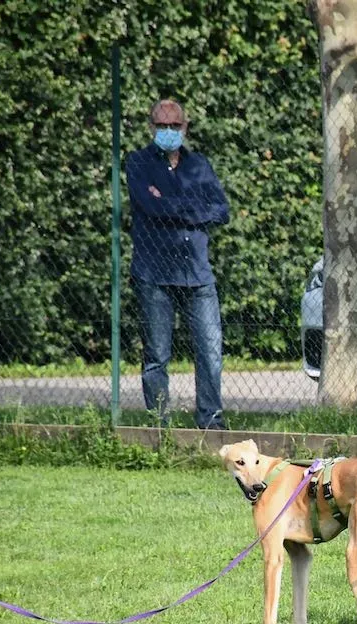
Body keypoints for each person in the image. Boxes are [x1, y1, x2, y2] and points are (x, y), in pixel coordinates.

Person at [125, 98, 230, 430]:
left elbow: (221, 210)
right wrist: (192, 206)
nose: (169, 131)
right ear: (151, 127)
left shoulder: (199, 165)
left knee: (210, 351)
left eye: (175, 126)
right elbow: (150, 208)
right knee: (157, 356)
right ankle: (160, 426)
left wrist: (169, 202)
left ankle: (211, 422)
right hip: (154, 273)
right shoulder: (138, 163)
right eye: (162, 126)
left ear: (184, 127)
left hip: (197, 274)